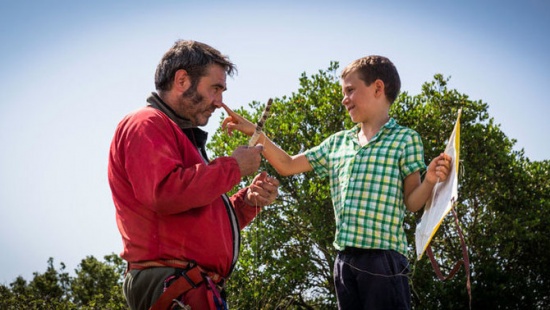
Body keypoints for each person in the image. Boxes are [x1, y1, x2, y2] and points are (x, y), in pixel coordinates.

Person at [222, 55, 452, 309]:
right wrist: (256, 132)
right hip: (344, 262)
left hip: (383, 259)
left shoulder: (405, 139)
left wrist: (430, 180)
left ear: (378, 88)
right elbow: (287, 165)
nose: (344, 99)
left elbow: (412, 202)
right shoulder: (338, 143)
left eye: (350, 90)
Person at [108, 40, 280, 310]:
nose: (220, 102)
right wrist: (233, 167)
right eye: (215, 88)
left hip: (187, 283)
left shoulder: (177, 135)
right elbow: (164, 193)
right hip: (172, 283)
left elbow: (198, 213)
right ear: (182, 80)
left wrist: (247, 202)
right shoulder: (146, 123)